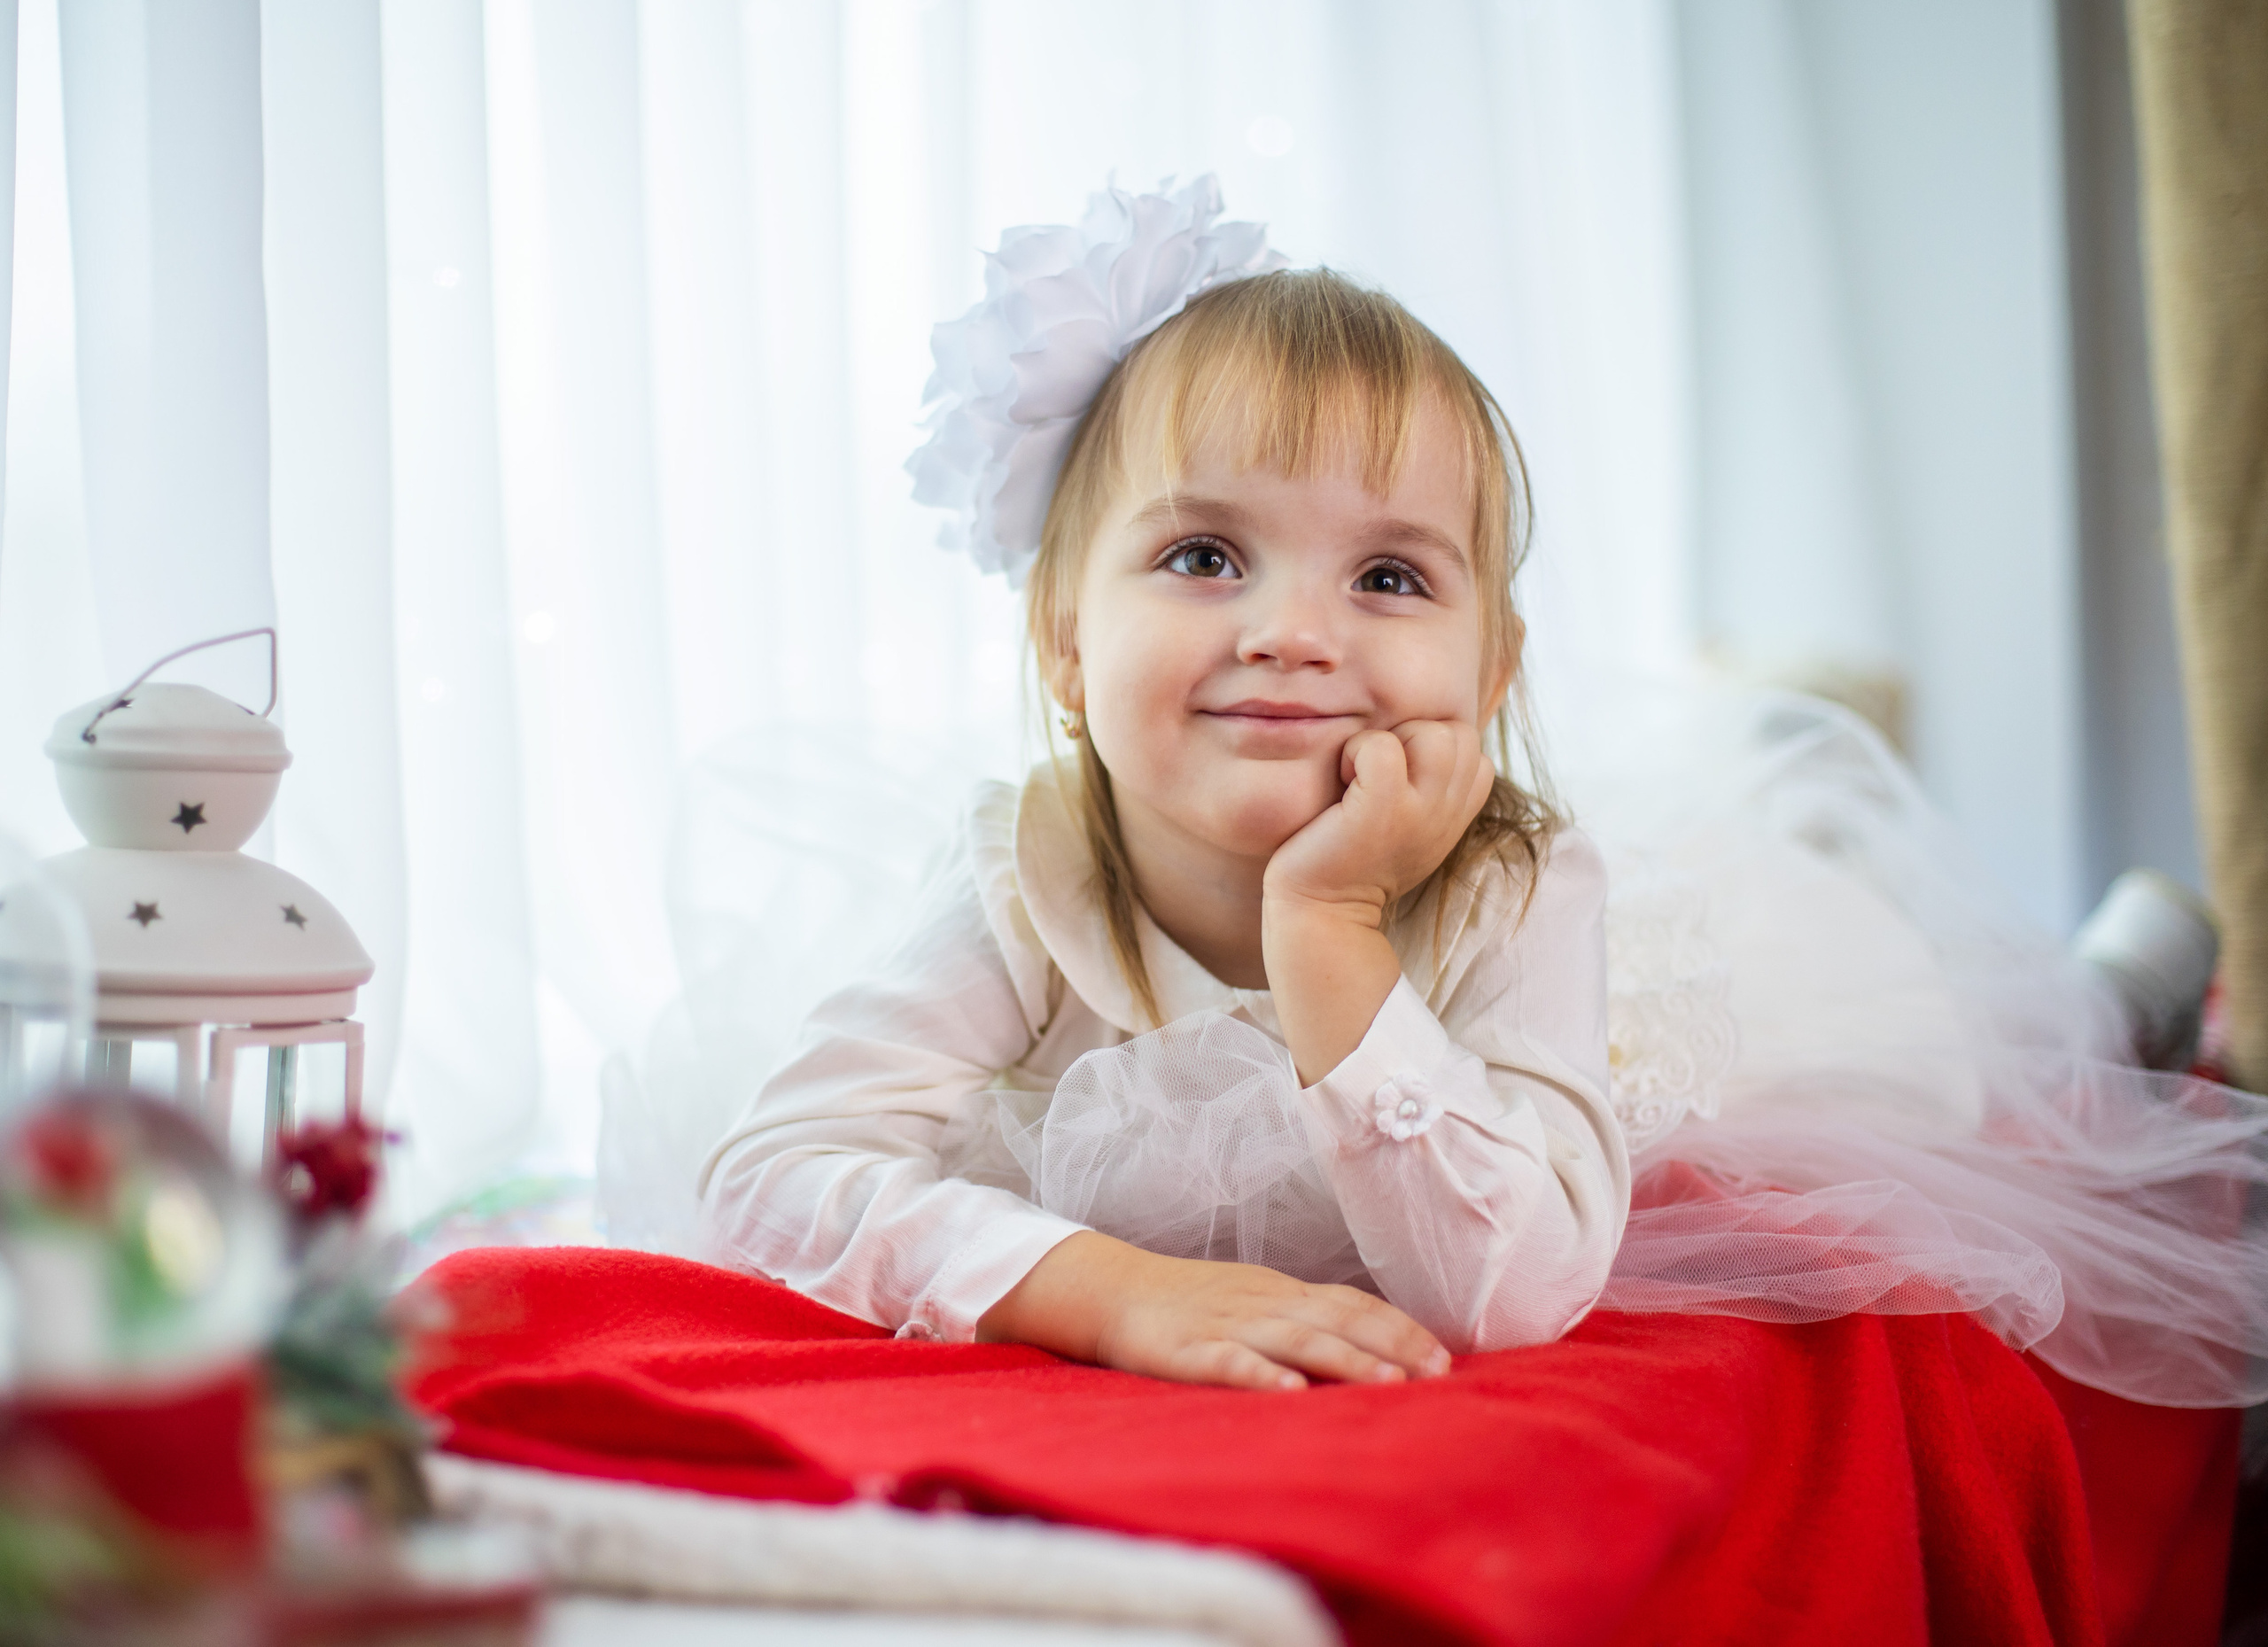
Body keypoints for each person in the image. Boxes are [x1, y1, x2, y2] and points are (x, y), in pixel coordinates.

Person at [698, 178, 2268, 1408]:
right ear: (1062, 642)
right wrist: (1108, 1289)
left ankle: (2116, 991)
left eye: (1387, 576)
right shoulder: (1031, 879)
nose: (1293, 632)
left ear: (1491, 666)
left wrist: (1330, 930)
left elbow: (1509, 1296)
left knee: (2021, 1079)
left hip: (1735, 1022)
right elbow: (770, 1173)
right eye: (1204, 554)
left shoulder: (1518, 888)